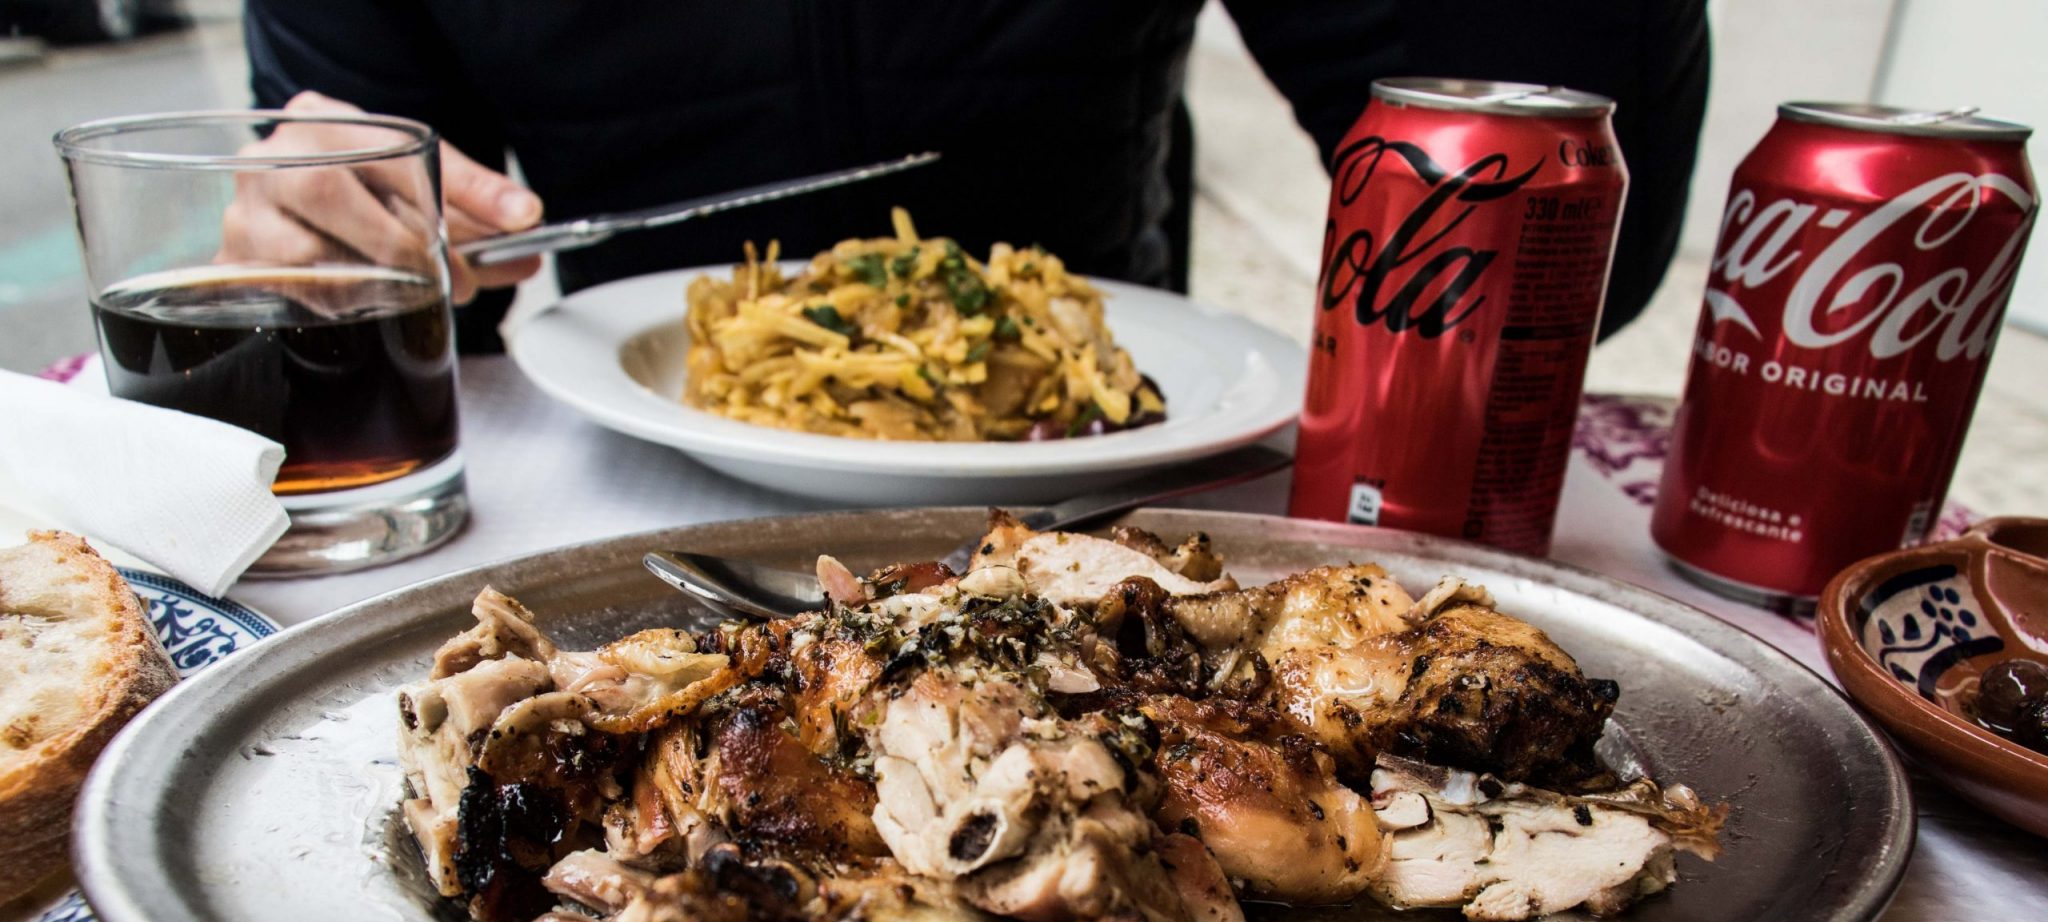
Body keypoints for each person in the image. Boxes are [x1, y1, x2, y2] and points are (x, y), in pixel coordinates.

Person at [240, 0, 1708, 352]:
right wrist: (321, 246)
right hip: (620, 453)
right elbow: (378, 269)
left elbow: (1562, 250)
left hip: (1107, 464)